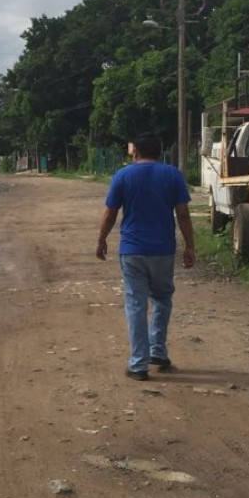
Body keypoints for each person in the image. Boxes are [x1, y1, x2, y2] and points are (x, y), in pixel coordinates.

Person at [96, 132, 195, 381]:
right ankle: (158, 352)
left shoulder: (123, 176)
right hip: (163, 250)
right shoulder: (173, 175)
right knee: (162, 298)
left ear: (135, 152)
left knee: (136, 304)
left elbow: (110, 214)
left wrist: (101, 240)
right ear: (159, 152)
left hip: (132, 251)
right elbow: (183, 214)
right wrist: (190, 246)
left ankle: (138, 364)